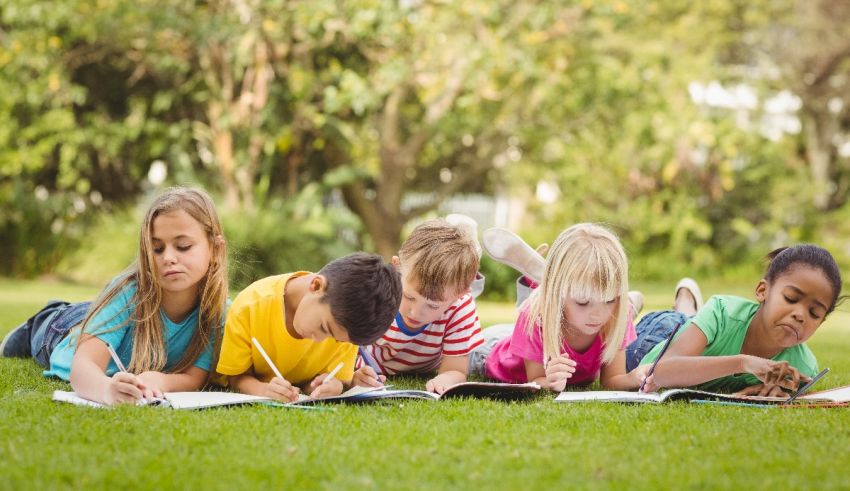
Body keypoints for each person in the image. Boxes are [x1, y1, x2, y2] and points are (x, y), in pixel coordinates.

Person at [0, 187, 229, 405]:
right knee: (50, 326)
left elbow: (195, 377)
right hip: (63, 330)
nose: (168, 257)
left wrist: (162, 380)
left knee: (100, 314)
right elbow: (83, 366)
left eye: (183, 246)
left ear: (216, 250)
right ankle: (34, 324)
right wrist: (106, 390)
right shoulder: (129, 293)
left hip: (106, 317)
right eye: (157, 249)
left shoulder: (217, 311)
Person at [633, 245, 843, 396]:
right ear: (762, 291)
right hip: (659, 337)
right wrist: (744, 362)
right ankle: (650, 303)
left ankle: (689, 305)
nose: (800, 315)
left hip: (698, 333)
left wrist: (777, 391)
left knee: (692, 319)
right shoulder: (723, 311)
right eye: (790, 298)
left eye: (814, 313)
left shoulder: (803, 368)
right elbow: (660, 371)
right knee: (679, 319)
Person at [469, 223, 638, 391]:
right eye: (582, 302)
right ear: (558, 292)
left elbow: (612, 380)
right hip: (488, 351)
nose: (597, 315)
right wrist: (549, 381)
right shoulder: (534, 316)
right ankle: (466, 253)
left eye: (609, 300)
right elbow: (535, 380)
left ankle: (534, 282)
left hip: (529, 331)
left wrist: (636, 378)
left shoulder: (620, 314)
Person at [215, 252, 402, 402]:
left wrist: (331, 386)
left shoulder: (346, 325)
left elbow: (338, 378)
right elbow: (236, 378)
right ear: (316, 285)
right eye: (324, 327)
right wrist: (262, 389)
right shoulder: (250, 306)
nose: (320, 340)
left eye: (335, 339)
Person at [351, 217, 484, 394]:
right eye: (408, 296)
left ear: (460, 294)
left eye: (433, 306)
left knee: (489, 350)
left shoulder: (460, 307)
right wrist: (355, 372)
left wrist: (446, 378)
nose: (415, 313)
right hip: (373, 363)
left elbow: (455, 370)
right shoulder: (376, 292)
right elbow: (344, 349)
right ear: (397, 268)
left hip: (429, 365)